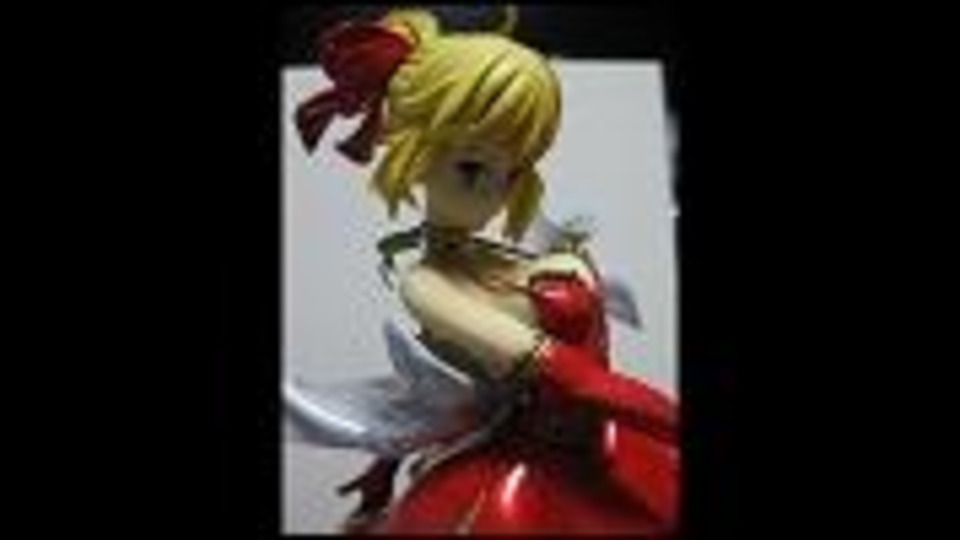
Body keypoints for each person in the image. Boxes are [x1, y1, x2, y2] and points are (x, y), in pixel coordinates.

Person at [286, 8, 678, 534]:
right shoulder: (428, 287)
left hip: (609, 444)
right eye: (471, 168)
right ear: (415, 157)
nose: (496, 192)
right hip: (533, 468)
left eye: (514, 171)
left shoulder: (509, 253)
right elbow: (578, 380)